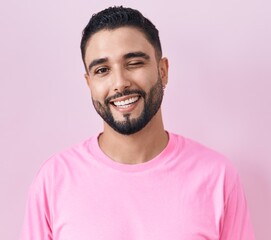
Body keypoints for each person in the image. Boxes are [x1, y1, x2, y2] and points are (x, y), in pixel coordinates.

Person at [20, 6, 255, 240]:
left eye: (134, 63)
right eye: (102, 70)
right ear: (89, 83)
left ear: (162, 71)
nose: (120, 83)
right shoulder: (53, 180)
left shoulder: (217, 176)